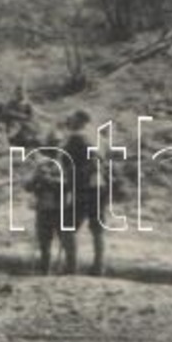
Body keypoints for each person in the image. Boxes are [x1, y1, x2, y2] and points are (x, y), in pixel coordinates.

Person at [60, 111, 106, 276]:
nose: (69, 121)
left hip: (83, 186)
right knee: (97, 228)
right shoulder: (99, 138)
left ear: (79, 120)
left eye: (71, 118)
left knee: (67, 226)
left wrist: (71, 183)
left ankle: (71, 266)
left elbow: (68, 163)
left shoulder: (77, 137)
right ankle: (99, 266)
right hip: (100, 185)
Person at [25, 131, 73, 275]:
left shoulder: (67, 164)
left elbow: (71, 184)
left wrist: (51, 181)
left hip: (62, 207)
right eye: (52, 145)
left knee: (66, 241)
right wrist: (37, 181)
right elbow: (28, 186)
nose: (55, 149)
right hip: (44, 207)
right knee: (44, 241)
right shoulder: (41, 164)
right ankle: (45, 269)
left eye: (57, 145)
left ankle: (70, 270)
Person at [4, 83, 41, 151]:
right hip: (15, 122)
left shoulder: (27, 104)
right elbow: (7, 111)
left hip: (26, 122)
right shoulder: (12, 103)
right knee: (13, 130)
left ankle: (32, 144)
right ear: (16, 94)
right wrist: (18, 115)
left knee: (32, 131)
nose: (20, 95)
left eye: (22, 93)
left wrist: (26, 117)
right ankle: (8, 143)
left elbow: (31, 115)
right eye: (18, 93)